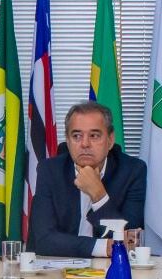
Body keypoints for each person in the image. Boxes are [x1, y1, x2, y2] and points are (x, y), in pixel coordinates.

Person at [27, 101, 147, 257]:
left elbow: (131, 240)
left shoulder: (132, 171)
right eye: (76, 136)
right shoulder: (49, 170)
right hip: (57, 267)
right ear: (68, 141)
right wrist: (104, 247)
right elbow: (43, 240)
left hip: (111, 267)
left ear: (110, 140)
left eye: (94, 136)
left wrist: (99, 196)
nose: (85, 144)